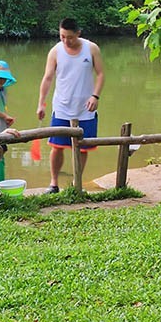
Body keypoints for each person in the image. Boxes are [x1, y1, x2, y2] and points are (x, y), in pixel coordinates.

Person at [36, 18, 104, 194]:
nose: (66, 41)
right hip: (62, 107)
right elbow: (47, 78)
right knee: (57, 147)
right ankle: (53, 183)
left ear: (78, 34)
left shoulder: (91, 49)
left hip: (85, 108)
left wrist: (95, 96)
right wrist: (41, 103)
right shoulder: (55, 51)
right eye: (62, 36)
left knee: (83, 147)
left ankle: (76, 182)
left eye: (70, 37)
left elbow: (101, 74)